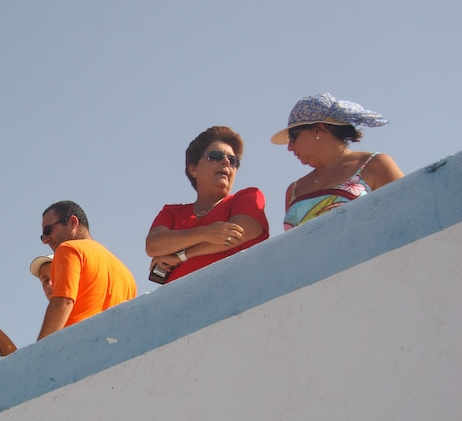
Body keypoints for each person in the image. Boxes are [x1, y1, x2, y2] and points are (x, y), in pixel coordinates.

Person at [146, 126, 269, 284]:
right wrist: (206, 233)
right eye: (215, 156)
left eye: (233, 161)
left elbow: (235, 235)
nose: (226, 162)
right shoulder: (172, 212)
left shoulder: (248, 197)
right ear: (193, 169)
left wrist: (180, 255)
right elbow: (153, 245)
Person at [272, 92, 403, 230]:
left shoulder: (374, 164)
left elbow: (410, 209)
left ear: (318, 130)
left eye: (293, 137)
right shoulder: (293, 190)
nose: (289, 147)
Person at [37, 201, 137, 339]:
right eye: (42, 236)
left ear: (73, 222)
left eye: (48, 230)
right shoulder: (125, 273)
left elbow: (63, 301)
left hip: (78, 345)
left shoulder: (68, 249)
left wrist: (40, 349)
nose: (45, 240)